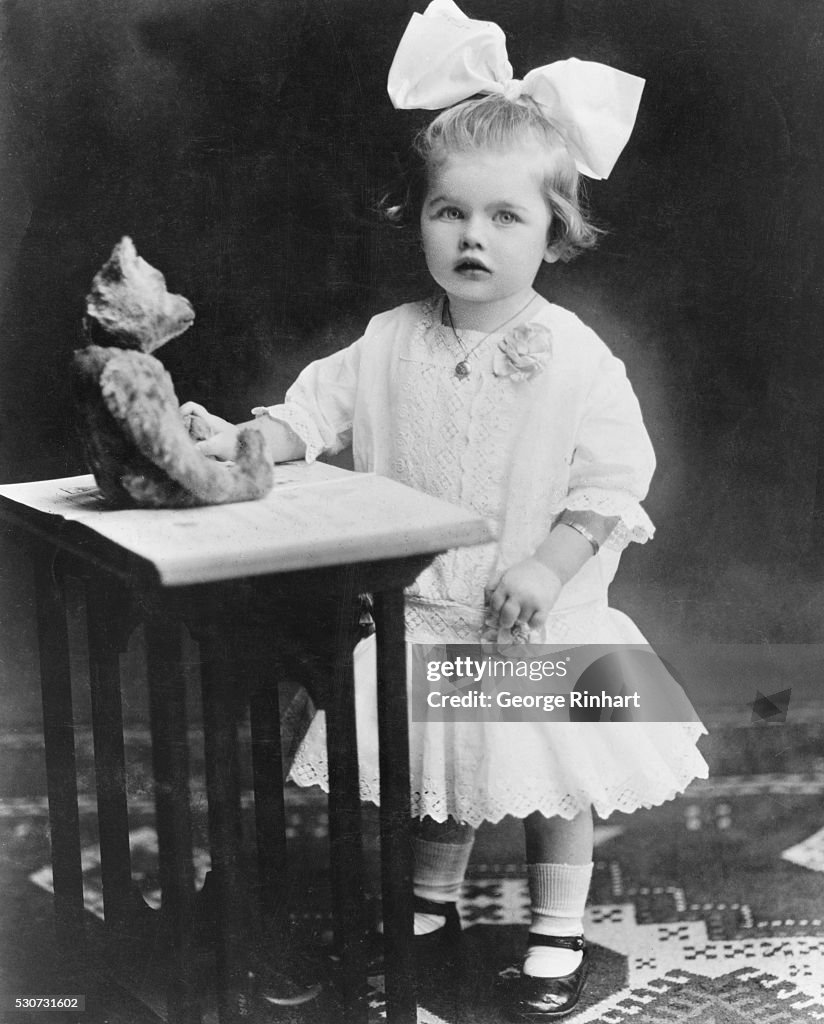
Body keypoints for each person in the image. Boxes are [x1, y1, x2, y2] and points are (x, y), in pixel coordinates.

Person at [183, 2, 708, 1017]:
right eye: (449, 212)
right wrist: (254, 441)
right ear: (416, 216)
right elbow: (311, 413)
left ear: (552, 232)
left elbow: (611, 483)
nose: (472, 236)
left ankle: (558, 927)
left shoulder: (575, 358)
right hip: (423, 618)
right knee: (440, 774)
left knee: (555, 784)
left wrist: (549, 563)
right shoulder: (384, 341)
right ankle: (427, 907)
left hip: (534, 622)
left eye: (504, 217)